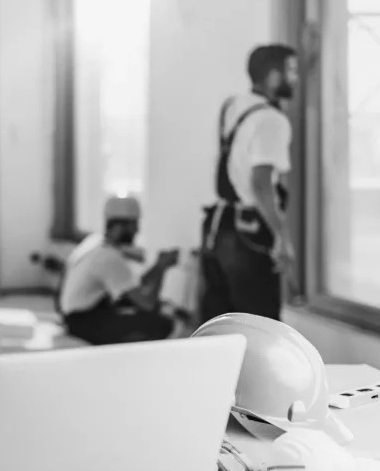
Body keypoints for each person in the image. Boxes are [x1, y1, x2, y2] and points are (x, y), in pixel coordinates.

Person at [198, 44, 299, 324]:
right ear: (273, 76)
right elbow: (261, 183)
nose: (296, 78)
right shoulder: (272, 121)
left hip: (218, 228)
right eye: (291, 71)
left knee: (219, 329)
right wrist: (282, 236)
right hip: (249, 236)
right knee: (259, 330)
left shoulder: (233, 105)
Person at [58, 195, 179, 345]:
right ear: (121, 227)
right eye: (134, 225)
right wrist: (161, 268)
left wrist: (156, 266)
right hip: (83, 320)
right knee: (162, 323)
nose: (136, 231)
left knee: (144, 308)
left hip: (74, 315)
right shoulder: (108, 257)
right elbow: (147, 303)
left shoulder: (95, 242)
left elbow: (133, 288)